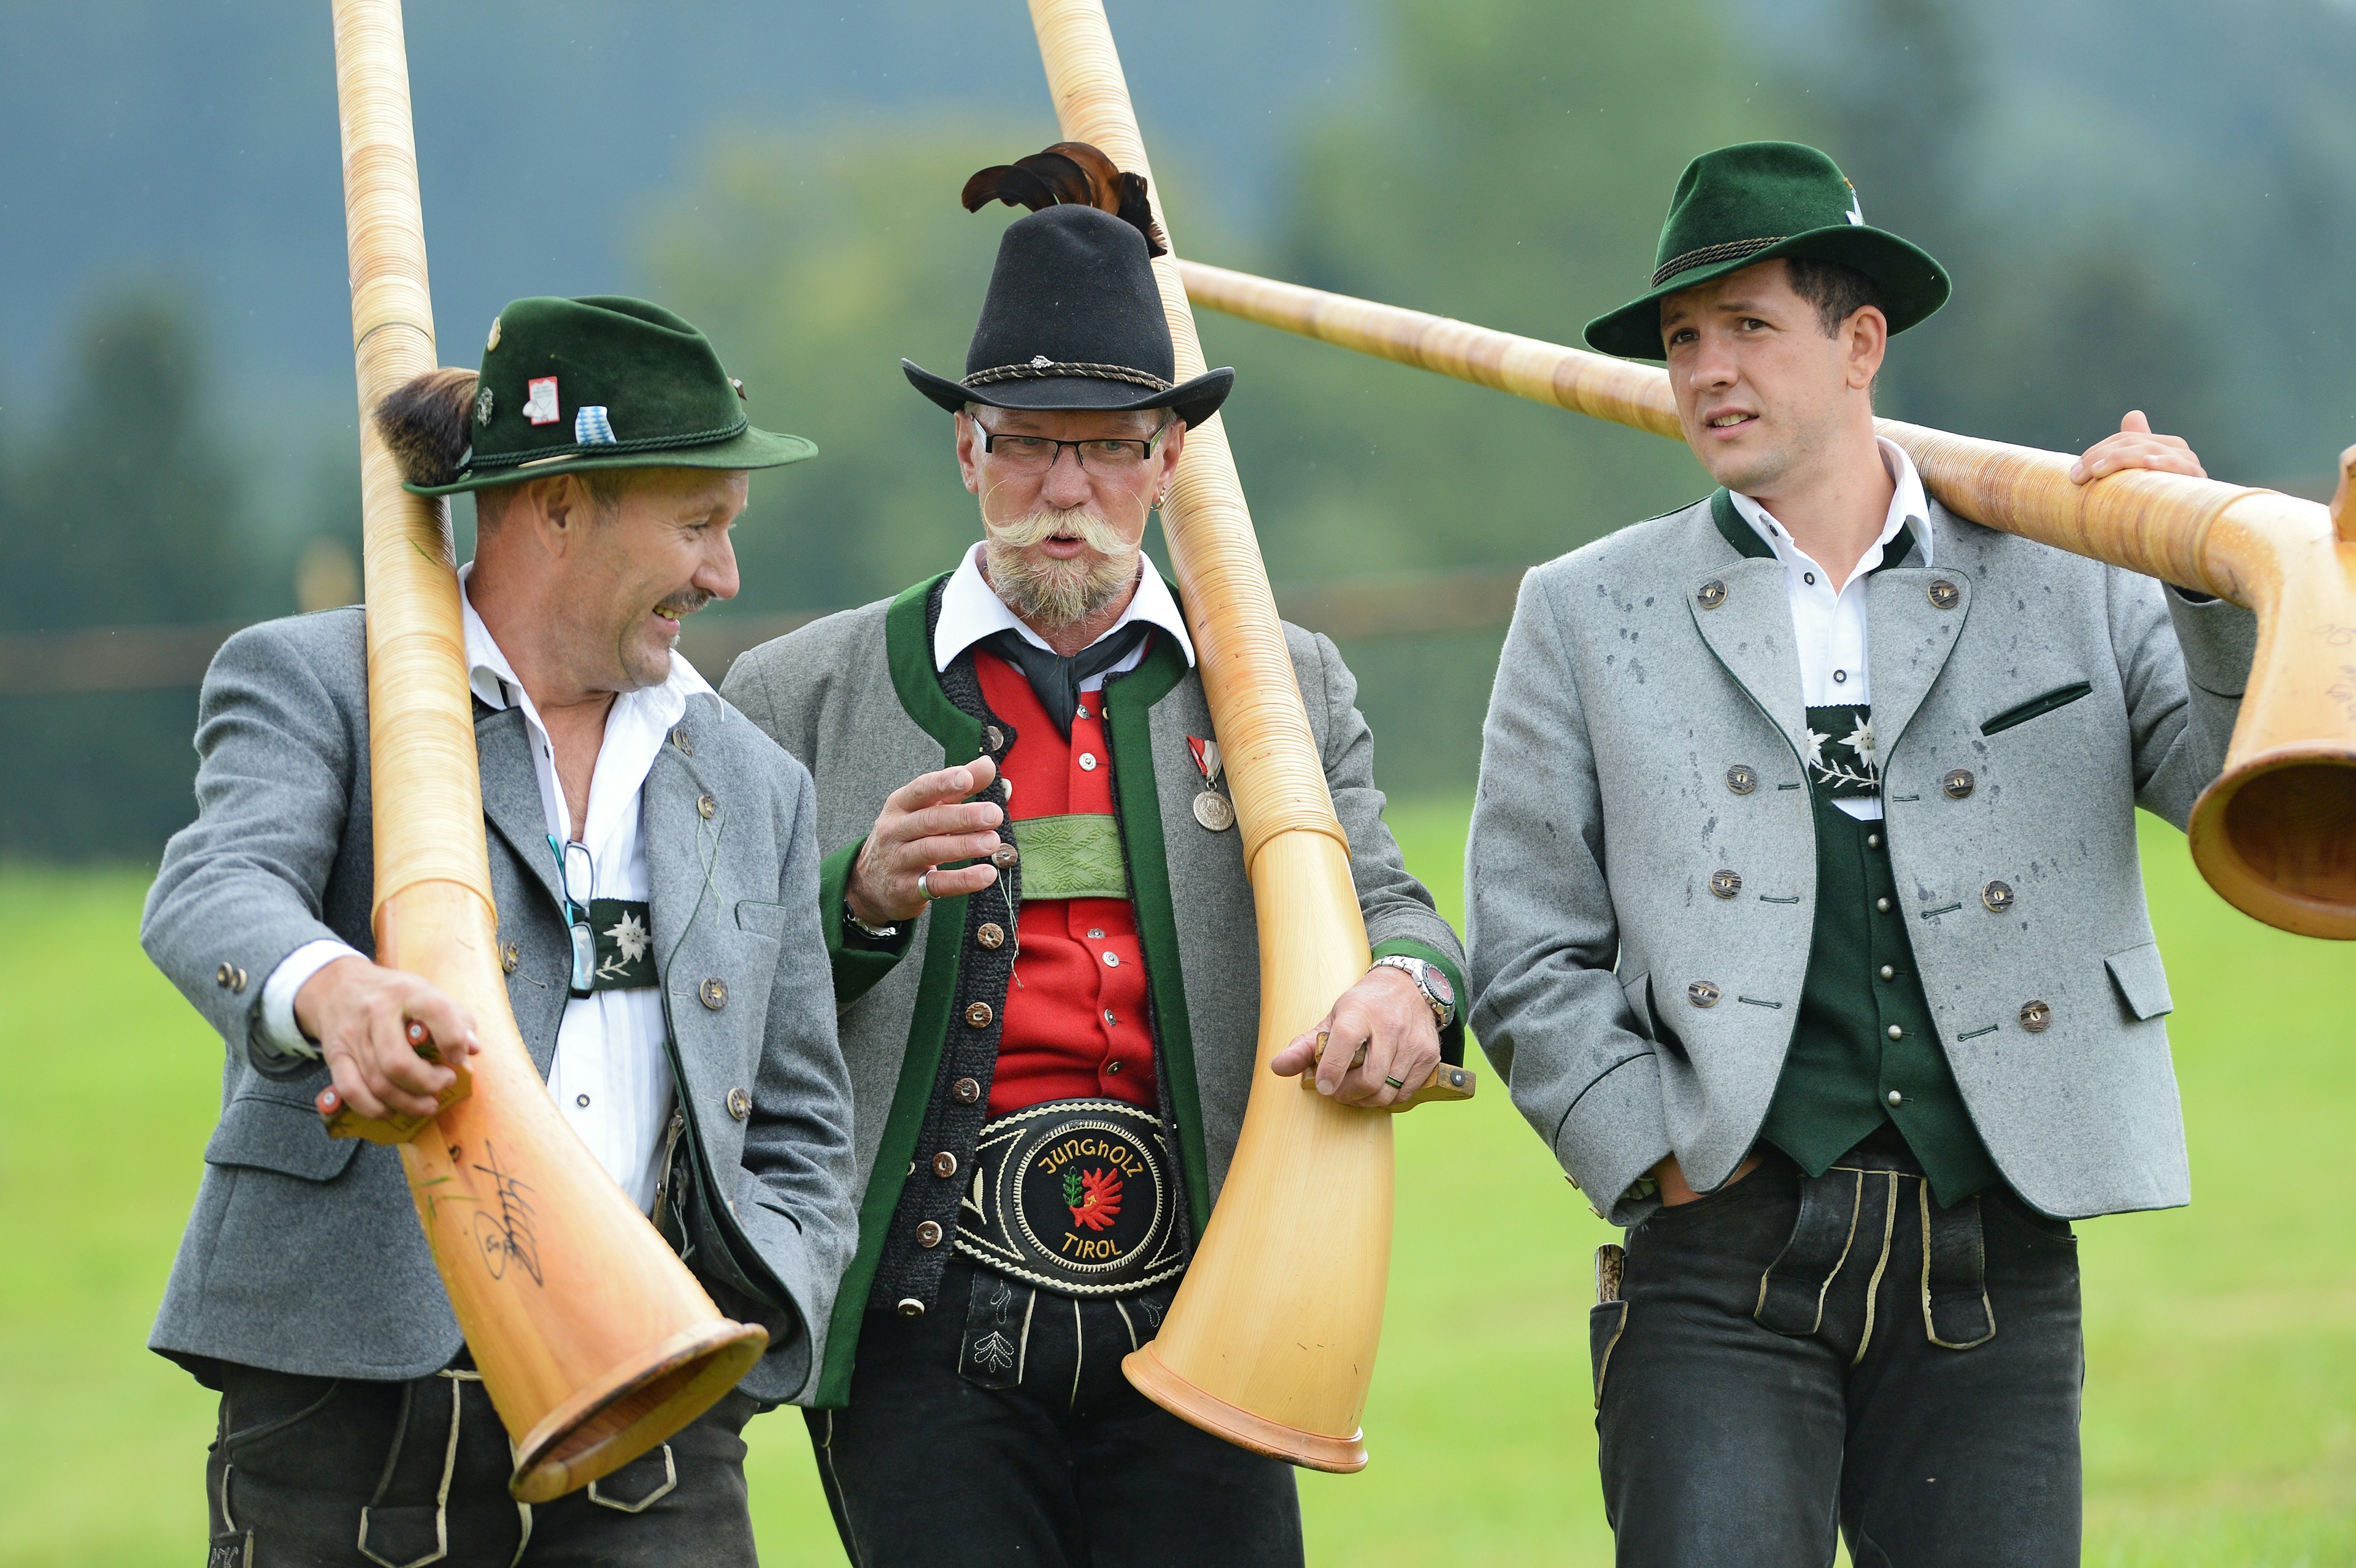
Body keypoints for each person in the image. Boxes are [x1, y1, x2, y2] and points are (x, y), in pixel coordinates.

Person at [1465, 141, 2254, 1566]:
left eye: (1751, 327)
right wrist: (1653, 1157)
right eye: (1684, 339)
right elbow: (1527, 948)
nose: (1707, 369)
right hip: (1715, 1264)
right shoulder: (1584, 611)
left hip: (1999, 1248)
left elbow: (2235, 795)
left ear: (1860, 344)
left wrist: (2205, 577)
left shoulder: (2078, 568)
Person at [720, 143, 1468, 1568]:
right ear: (966, 451)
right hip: (918, 1331)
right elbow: (719, 991)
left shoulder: (1282, 685)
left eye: (1109, 446)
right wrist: (858, 900)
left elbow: (1391, 907)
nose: (1066, 484)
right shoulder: (795, 693)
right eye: (1028, 441)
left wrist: (1409, 995)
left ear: (1167, 462)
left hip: (1217, 1313)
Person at [142, 295, 857, 1565]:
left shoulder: (758, 783)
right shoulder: (316, 679)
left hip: (661, 1420)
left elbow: (800, 1120)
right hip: (347, 1407)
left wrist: (753, 1326)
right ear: (560, 505)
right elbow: (214, 890)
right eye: (697, 526)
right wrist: (334, 992)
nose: (724, 576)